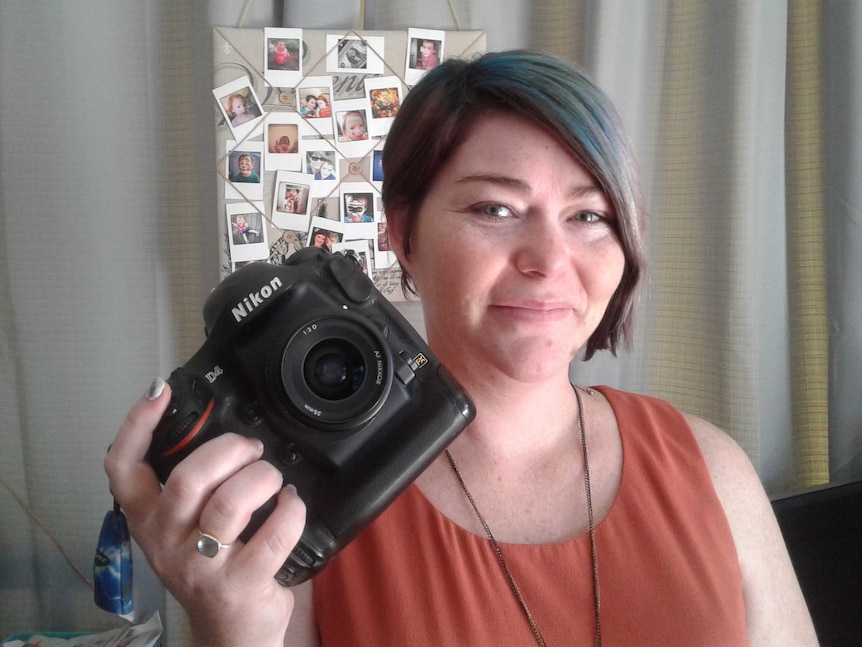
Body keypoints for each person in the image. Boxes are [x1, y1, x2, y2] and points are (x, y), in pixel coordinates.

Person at [105, 51, 818, 646]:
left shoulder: (713, 470)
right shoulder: (294, 517)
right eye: (495, 208)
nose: (548, 258)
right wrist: (226, 626)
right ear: (402, 234)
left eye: (589, 215)